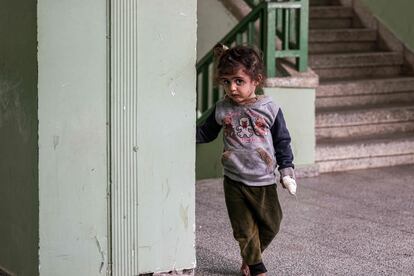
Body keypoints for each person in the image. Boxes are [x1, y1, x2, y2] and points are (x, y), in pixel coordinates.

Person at [196, 44, 296, 276]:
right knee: (244, 230)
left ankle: (250, 259)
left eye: (239, 81)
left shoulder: (269, 108)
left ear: (256, 80)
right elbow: (206, 133)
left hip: (263, 181)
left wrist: (287, 171)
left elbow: (282, 141)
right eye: (226, 81)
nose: (232, 87)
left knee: (272, 224)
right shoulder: (222, 109)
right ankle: (257, 268)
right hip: (234, 180)